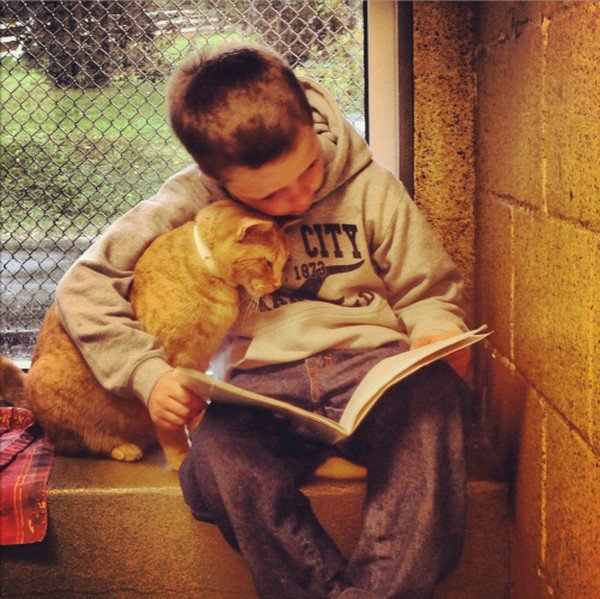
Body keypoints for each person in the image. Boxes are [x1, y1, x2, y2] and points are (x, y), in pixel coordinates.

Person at [55, 42, 472, 598]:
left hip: (370, 376)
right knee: (215, 464)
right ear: (218, 180)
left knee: (436, 410)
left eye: (309, 170)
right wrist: (146, 375)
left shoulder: (372, 186)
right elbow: (82, 286)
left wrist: (436, 332)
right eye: (270, 195)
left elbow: (428, 291)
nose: (300, 195)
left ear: (310, 124)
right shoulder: (191, 200)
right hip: (261, 389)